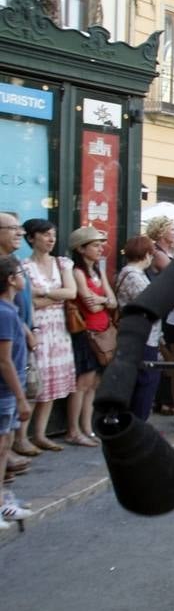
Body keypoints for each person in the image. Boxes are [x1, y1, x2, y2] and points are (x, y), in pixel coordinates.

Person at [20, 219, 76, 452]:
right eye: (45, 234)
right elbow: (26, 300)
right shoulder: (23, 266)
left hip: (59, 329)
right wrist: (55, 294)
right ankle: (21, 437)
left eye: (53, 234)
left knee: (52, 384)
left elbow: (71, 292)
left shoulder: (62, 263)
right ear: (31, 238)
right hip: (38, 327)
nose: (51, 239)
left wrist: (41, 293)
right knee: (35, 383)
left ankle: (40, 434)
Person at [68, 227, 117, 445]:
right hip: (87, 333)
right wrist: (103, 301)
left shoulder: (97, 272)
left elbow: (113, 301)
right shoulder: (78, 272)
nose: (100, 249)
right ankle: (74, 429)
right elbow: (90, 304)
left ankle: (87, 428)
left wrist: (102, 301)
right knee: (83, 383)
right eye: (95, 245)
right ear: (81, 248)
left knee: (94, 384)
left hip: (102, 332)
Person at [0, 214, 38, 458]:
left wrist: (28, 328)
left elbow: (25, 300)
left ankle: (15, 443)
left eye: (20, 229)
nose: (19, 234)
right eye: (13, 228)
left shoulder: (14, 260)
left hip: (18, 333)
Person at [0, 255, 34, 525]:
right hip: (5, 392)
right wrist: (21, 398)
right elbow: (4, 360)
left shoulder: (9, 311)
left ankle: (1, 502)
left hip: (10, 390)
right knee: (1, 446)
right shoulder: (4, 313)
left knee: (5, 445)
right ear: (11, 280)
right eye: (20, 273)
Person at [146, 216, 174, 422]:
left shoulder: (167, 253)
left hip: (172, 312)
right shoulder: (159, 254)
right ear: (162, 233)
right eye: (173, 230)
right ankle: (172, 402)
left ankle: (171, 401)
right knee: (173, 360)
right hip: (167, 314)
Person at [116, 236, 163, 422]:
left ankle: (138, 423)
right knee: (145, 381)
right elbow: (151, 303)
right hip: (142, 336)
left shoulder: (133, 274)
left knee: (144, 381)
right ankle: (138, 425)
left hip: (145, 335)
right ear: (146, 255)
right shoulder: (133, 276)